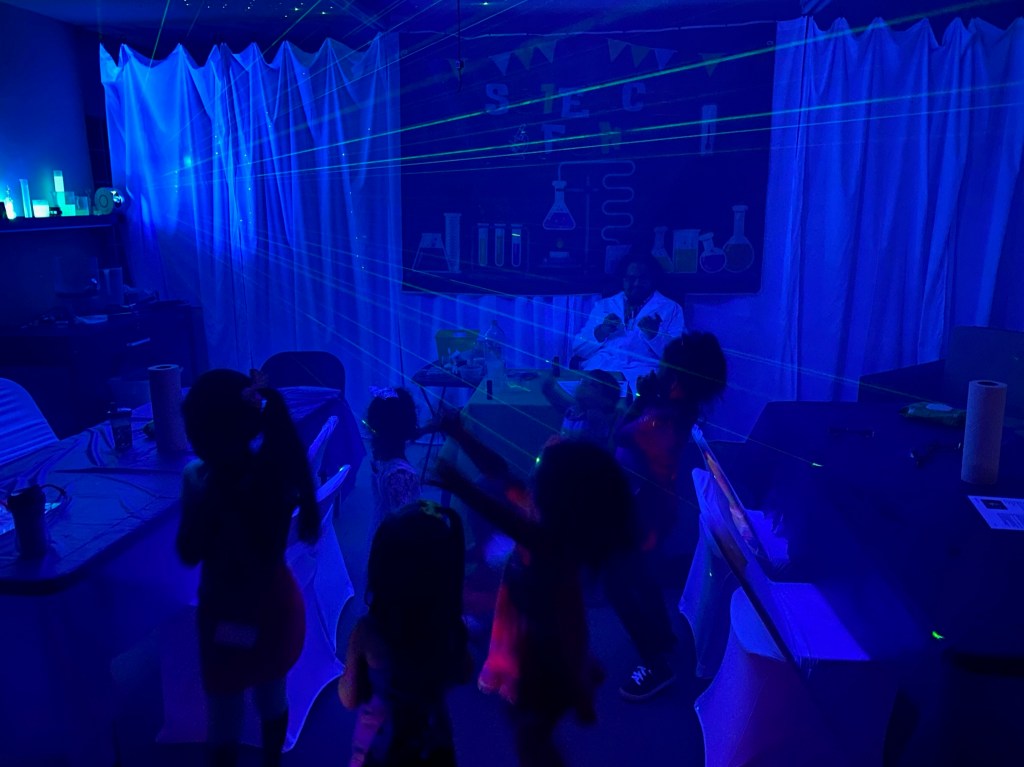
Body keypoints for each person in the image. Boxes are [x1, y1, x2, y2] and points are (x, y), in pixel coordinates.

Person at [432, 438, 635, 767]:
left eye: (539, 474)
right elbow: (499, 473)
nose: (530, 477)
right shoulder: (550, 521)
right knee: (530, 729)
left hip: (544, 657)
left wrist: (462, 487)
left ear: (558, 497)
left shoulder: (552, 542)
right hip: (538, 634)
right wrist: (462, 434)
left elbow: (511, 522)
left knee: (531, 734)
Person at [176, 369, 320, 767]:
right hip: (275, 606)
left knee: (224, 713)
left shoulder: (201, 482)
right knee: (273, 695)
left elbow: (190, 551)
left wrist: (196, 498)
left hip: (227, 613)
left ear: (206, 436)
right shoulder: (275, 476)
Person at [607, 331, 727, 701]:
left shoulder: (657, 420)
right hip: (655, 509)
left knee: (619, 585)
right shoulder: (677, 410)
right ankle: (661, 633)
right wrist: (648, 396)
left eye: (664, 365)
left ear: (676, 377)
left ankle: (655, 664)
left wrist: (640, 401)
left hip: (638, 514)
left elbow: (618, 436)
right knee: (641, 577)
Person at [338, 501, 471, 767]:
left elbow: (349, 697)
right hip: (433, 744)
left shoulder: (368, 633)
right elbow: (462, 671)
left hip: (382, 747)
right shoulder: (451, 630)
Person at [572, 252, 685, 393]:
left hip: (644, 376)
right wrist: (601, 331)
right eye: (631, 278)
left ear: (652, 279)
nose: (637, 284)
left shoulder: (671, 308)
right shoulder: (604, 305)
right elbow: (578, 349)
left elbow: (678, 358)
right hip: (603, 373)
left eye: (643, 278)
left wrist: (655, 335)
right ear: (623, 279)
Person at [365, 386, 422, 532]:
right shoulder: (401, 474)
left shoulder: (380, 454)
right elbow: (406, 527)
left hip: (380, 531)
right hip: (394, 546)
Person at [539, 368, 622, 448]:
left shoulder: (596, 417)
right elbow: (560, 404)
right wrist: (548, 391)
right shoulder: (573, 410)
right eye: (583, 381)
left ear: (606, 400)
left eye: (593, 384)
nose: (584, 384)